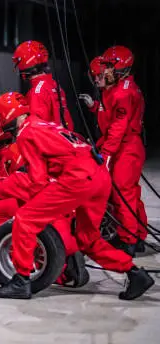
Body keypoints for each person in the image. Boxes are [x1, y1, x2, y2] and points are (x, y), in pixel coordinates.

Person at [0, 91, 153, 300]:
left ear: (7, 116)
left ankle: (21, 281)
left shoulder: (26, 134)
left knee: (25, 218)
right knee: (87, 239)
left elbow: (38, 180)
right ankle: (135, 274)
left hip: (78, 178)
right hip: (99, 176)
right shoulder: (43, 123)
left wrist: (20, 188)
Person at [0, 150, 88, 288]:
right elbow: (3, 193)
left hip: (56, 236)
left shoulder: (24, 179)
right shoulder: (58, 175)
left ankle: (63, 268)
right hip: (70, 224)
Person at [79, 47, 146, 256]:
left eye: (107, 66)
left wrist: (106, 155)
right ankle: (138, 235)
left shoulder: (123, 93)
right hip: (125, 145)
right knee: (131, 193)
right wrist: (94, 106)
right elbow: (109, 113)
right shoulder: (119, 88)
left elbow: (117, 128)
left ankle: (129, 241)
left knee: (121, 193)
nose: (104, 70)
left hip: (126, 147)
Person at [12, 40, 74, 130]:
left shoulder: (37, 92)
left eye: (18, 63)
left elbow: (35, 130)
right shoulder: (54, 84)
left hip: (50, 142)